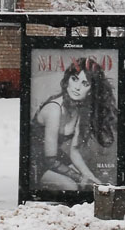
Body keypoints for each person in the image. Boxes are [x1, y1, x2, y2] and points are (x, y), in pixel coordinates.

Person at [33, 57, 117, 190]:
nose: (77, 87)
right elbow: (50, 160)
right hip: (36, 162)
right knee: (72, 186)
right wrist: (79, 178)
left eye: (85, 84)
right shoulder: (54, 109)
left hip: (57, 159)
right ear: (68, 80)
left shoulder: (78, 109)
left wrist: (93, 179)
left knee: (91, 184)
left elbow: (74, 151)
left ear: (91, 90)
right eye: (74, 79)